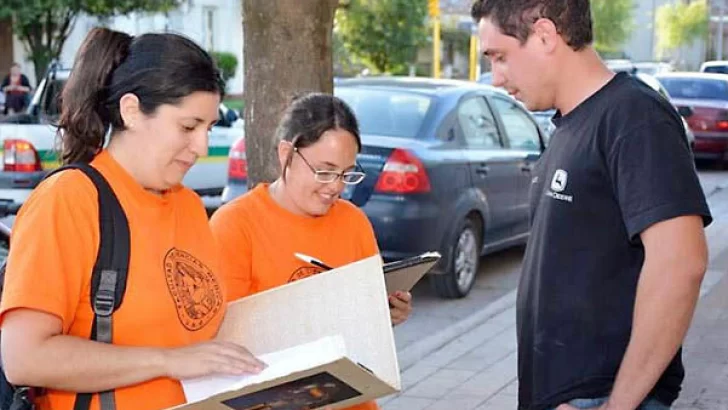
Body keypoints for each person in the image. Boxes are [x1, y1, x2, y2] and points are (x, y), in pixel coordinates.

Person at [0, 28, 264, 410]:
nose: (202, 147)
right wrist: (167, 361)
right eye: (188, 127)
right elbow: (25, 358)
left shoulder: (189, 206)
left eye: (207, 128)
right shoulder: (69, 200)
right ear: (131, 111)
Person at [471, 1, 712, 410]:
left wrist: (618, 406)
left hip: (602, 395)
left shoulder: (634, 117)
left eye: (501, 57)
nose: (496, 78)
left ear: (545, 35)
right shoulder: (571, 123)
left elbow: (681, 264)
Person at [210, 93, 413, 410]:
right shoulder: (235, 225)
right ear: (286, 154)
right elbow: (224, 339)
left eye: (346, 174)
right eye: (324, 170)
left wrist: (386, 314)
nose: (335, 187)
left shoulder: (353, 222)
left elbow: (366, 330)